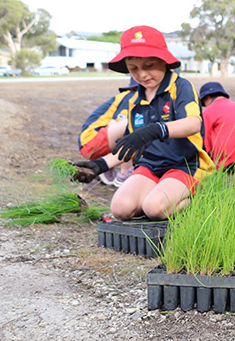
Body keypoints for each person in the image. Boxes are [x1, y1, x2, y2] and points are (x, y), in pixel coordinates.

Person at [71, 26, 215, 220]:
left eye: (149, 66)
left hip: (185, 164)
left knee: (154, 209)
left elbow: (192, 124)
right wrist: (99, 165)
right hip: (150, 165)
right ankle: (162, 192)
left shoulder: (181, 87)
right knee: (121, 209)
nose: (142, 75)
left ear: (164, 62)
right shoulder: (133, 100)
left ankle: (197, 198)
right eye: (134, 69)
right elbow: (129, 146)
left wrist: (156, 130)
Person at [77, 76, 138, 186]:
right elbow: (116, 123)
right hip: (92, 140)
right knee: (133, 124)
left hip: (100, 140)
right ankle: (124, 174)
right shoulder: (132, 96)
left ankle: (106, 165)